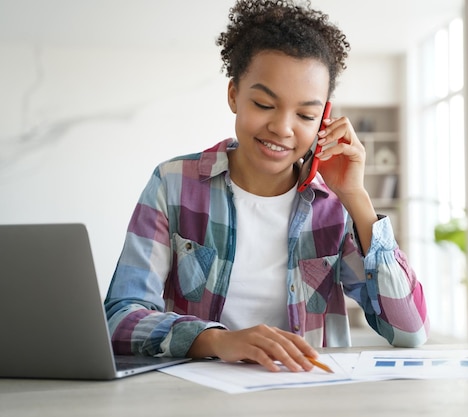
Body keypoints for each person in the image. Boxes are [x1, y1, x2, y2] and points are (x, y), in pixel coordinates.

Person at [105, 0, 429, 373]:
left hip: (308, 395)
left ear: (324, 118)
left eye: (306, 114)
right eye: (264, 103)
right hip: (197, 396)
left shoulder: (334, 207)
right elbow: (120, 316)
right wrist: (217, 340)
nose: (283, 128)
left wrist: (355, 196)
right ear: (233, 95)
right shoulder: (173, 184)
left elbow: (410, 330)